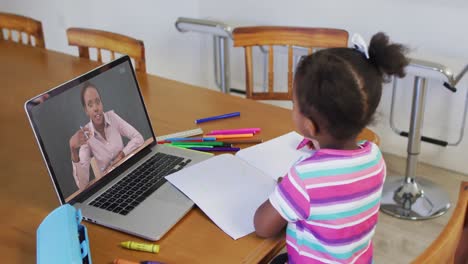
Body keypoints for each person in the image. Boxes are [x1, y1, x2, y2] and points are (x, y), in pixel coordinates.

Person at [254, 32, 409, 263]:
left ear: (309, 125)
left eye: (293, 103)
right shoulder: (375, 158)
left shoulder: (304, 177)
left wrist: (287, 191)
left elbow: (262, 227)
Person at [69, 82, 144, 190]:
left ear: (102, 103)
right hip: (110, 187)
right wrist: (73, 150)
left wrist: (121, 155)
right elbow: (82, 184)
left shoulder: (112, 117)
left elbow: (138, 138)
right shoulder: (86, 136)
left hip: (129, 173)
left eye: (98, 102)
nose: (96, 108)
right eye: (90, 105)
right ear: (86, 111)